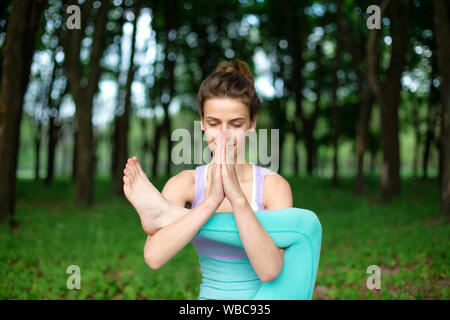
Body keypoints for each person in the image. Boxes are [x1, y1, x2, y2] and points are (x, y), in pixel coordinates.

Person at [122, 59, 293, 300]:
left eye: (235, 124)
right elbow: (153, 257)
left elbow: (270, 271)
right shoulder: (185, 184)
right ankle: (167, 213)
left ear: (252, 123)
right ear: (202, 122)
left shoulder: (274, 187)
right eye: (214, 123)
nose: (223, 136)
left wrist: (238, 199)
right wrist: (210, 201)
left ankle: (166, 213)